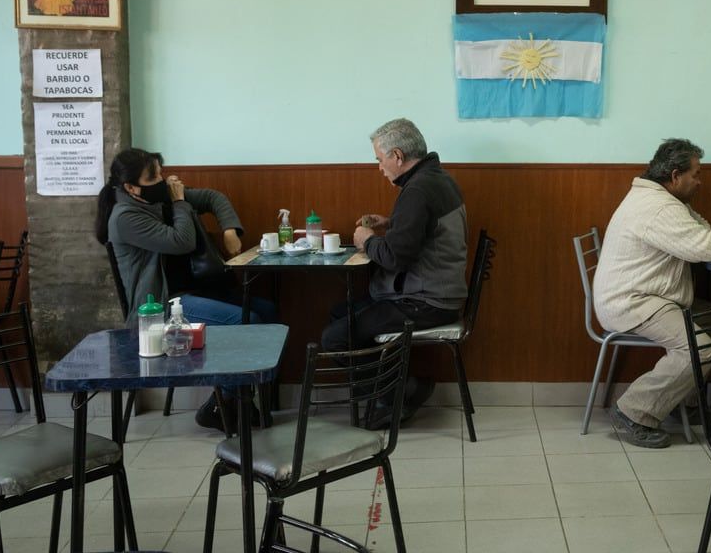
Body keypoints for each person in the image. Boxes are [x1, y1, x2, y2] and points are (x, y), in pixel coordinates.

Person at [593, 139, 711, 448]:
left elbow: (701, 233)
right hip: (633, 302)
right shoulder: (658, 208)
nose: (700, 182)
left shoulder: (665, 201)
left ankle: (684, 402)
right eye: (696, 174)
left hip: (647, 296)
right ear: (676, 176)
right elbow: (703, 247)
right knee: (699, 348)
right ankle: (633, 410)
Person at [94, 147, 276, 431]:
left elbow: (214, 198)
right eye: (155, 177)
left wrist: (230, 230)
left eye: (161, 173)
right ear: (131, 187)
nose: (164, 181)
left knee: (266, 309)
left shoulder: (153, 197)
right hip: (161, 306)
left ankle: (238, 400)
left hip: (193, 292)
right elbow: (182, 241)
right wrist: (179, 202)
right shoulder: (125, 217)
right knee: (247, 321)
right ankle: (221, 404)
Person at [321, 118, 468, 429]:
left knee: (334, 339)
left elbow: (394, 258)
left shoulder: (417, 191)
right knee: (339, 314)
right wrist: (392, 223)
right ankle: (402, 389)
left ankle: (395, 395)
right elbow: (426, 232)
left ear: (398, 156)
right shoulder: (438, 179)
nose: (380, 167)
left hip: (425, 302)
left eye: (380, 159)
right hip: (442, 292)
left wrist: (366, 240)